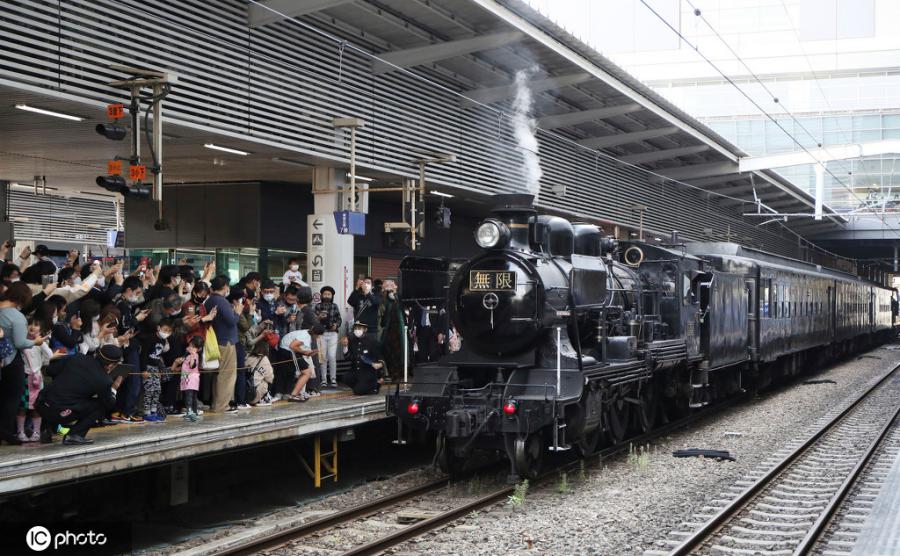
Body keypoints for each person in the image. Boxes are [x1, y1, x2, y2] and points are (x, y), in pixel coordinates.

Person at [36, 345, 125, 445]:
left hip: (41, 403)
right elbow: (109, 404)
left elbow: (50, 371)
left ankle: (46, 429)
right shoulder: (104, 380)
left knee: (57, 395)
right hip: (60, 412)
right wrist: (114, 388)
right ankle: (74, 435)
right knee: (100, 406)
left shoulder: (76, 357)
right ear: (110, 365)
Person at [0, 283, 45, 445]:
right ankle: (6, 431)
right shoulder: (17, 317)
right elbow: (20, 342)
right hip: (11, 360)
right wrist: (36, 341)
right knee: (12, 397)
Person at [205, 276, 240, 414]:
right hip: (226, 342)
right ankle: (221, 406)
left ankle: (216, 404)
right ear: (225, 286)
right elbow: (231, 321)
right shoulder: (222, 301)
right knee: (226, 375)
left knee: (218, 375)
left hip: (215, 341)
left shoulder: (209, 300)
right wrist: (237, 312)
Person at [18, 316, 52, 442]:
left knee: (37, 407)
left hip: (37, 379)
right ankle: (20, 432)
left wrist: (41, 342)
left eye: (36, 324)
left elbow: (49, 355)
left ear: (40, 329)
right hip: (25, 377)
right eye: (30, 324)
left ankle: (36, 432)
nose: (32, 327)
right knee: (22, 407)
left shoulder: (42, 343)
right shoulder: (22, 342)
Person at [139, 319, 173, 422]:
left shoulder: (163, 341)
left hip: (155, 368)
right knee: (149, 390)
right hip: (148, 367)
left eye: (169, 331)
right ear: (158, 328)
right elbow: (143, 355)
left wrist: (159, 370)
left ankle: (153, 411)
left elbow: (159, 356)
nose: (166, 333)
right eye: (165, 330)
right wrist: (143, 370)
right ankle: (146, 412)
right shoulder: (149, 339)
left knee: (157, 390)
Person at [280, 324, 323, 402]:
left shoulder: (307, 332)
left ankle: (296, 394)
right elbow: (292, 346)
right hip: (287, 350)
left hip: (287, 349)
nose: (318, 338)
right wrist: (304, 352)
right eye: (319, 336)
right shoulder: (305, 336)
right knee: (307, 372)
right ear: (317, 335)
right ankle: (294, 395)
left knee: (305, 372)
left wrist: (307, 353)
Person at [341, 322, 385, 395]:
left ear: (365, 329)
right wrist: (345, 346)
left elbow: (379, 356)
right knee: (346, 378)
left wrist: (380, 366)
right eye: (356, 328)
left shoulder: (371, 341)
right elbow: (348, 358)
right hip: (356, 370)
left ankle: (375, 385)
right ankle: (362, 386)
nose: (357, 330)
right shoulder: (352, 340)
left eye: (359, 328)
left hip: (368, 371)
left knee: (358, 391)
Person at [377, 280, 405, 383]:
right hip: (388, 328)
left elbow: (401, 308)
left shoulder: (398, 297)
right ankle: (390, 373)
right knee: (388, 351)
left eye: (392, 285)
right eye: (388, 285)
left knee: (398, 352)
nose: (390, 286)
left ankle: (398, 375)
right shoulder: (384, 297)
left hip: (398, 328)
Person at [315, 286, 342, 387]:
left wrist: (336, 325)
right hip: (321, 334)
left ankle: (333, 379)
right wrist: (319, 317)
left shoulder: (335, 306)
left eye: (329, 294)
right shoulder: (317, 306)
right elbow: (314, 319)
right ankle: (323, 379)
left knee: (331, 356)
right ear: (321, 295)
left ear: (332, 296)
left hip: (333, 333)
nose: (327, 296)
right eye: (325, 294)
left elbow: (339, 319)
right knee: (323, 357)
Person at [180, 336, 202, 422]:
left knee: (189, 397)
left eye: (193, 346)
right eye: (190, 346)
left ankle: (190, 413)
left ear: (198, 349)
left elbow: (192, 365)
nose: (190, 348)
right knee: (192, 397)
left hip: (190, 380)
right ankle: (194, 412)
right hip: (190, 379)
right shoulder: (189, 355)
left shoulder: (194, 355)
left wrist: (192, 355)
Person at [246, 339, 274, 406]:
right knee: (265, 382)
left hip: (244, 392)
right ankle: (261, 399)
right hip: (253, 395)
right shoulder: (264, 359)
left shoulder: (247, 356)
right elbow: (270, 378)